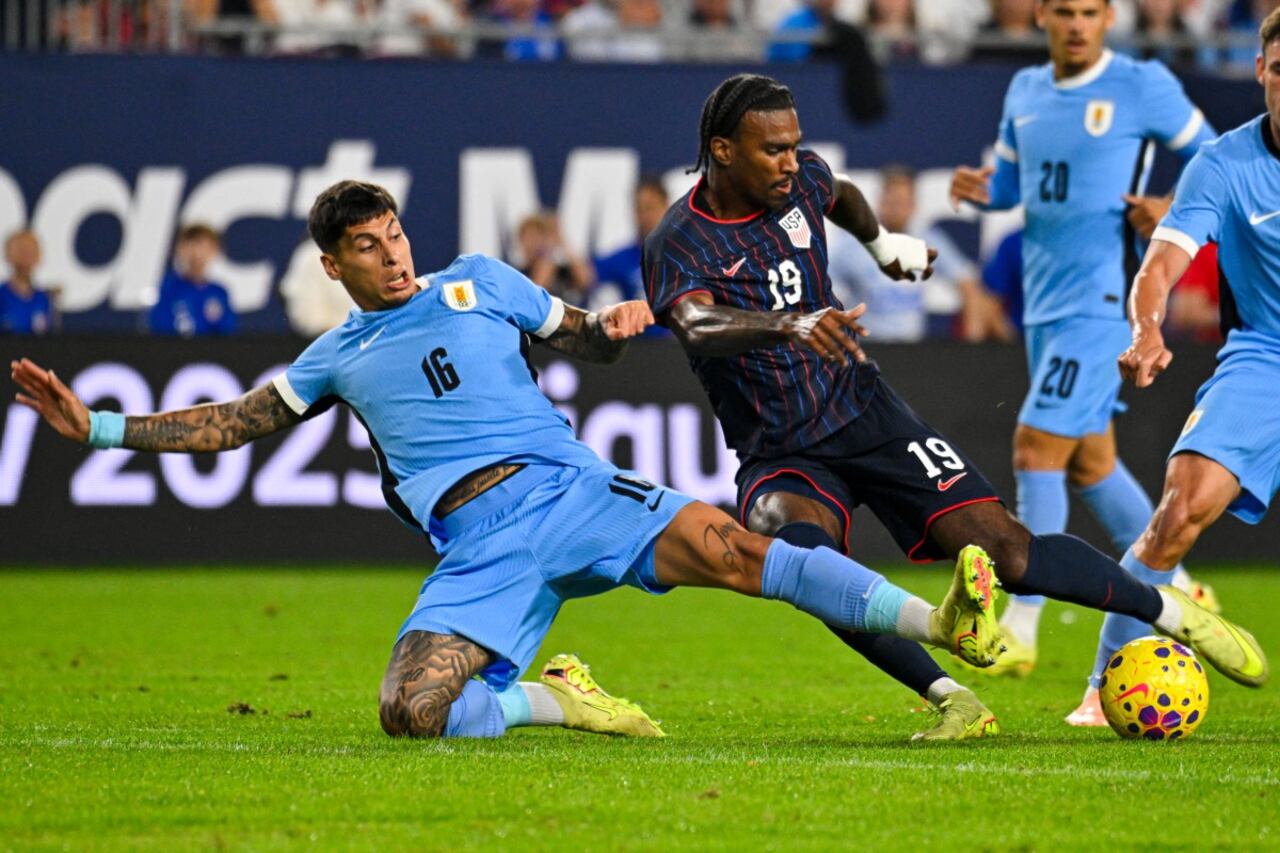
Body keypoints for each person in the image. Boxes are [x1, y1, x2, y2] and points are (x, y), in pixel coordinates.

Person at [11, 180, 1016, 743]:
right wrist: (95, 428)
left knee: (745, 550)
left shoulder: (478, 282)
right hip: (478, 545)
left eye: (396, 233)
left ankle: (944, 621)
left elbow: (582, 334)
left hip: (574, 492)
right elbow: (231, 423)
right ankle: (558, 697)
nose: (393, 254)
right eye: (367, 246)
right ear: (333, 265)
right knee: (410, 711)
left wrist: (611, 323)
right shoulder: (334, 356)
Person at [640, 73, 1265, 730]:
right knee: (807, 566)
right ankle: (952, 698)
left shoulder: (802, 181)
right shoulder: (680, 239)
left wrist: (884, 245)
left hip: (865, 410)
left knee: (1011, 553)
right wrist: (787, 323)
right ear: (723, 149)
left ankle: (1171, 611)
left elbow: (841, 194)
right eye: (774, 151)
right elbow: (694, 323)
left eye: (795, 147)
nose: (791, 163)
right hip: (778, 448)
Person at [948, 0, 1219, 725]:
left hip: (1105, 300)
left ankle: (1024, 627)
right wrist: (982, 189)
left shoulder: (1141, 84)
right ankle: (1186, 587)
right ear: (1041, 16)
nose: (1076, 23)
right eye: (1063, 10)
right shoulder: (1026, 92)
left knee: (1035, 445)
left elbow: (1217, 155)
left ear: (1107, 19)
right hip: (1045, 302)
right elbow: (1013, 186)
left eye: (1090, 12)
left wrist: (1168, 204)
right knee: (1088, 462)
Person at [1114, 7, 1280, 694]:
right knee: (1179, 510)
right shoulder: (1224, 164)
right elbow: (1159, 267)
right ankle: (1104, 683)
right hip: (1267, 357)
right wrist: (1146, 329)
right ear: (1261, 71)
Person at [827, 165, 1011, 343]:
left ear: (913, 206)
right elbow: (823, 290)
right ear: (880, 202)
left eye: (903, 202)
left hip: (913, 351)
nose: (896, 209)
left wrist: (972, 347)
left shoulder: (927, 241)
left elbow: (968, 285)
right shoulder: (851, 245)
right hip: (869, 348)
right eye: (892, 201)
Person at [589, 176, 667, 308]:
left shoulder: (687, 254)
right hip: (641, 328)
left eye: (650, 207)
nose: (645, 216)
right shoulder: (626, 257)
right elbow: (587, 277)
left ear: (665, 205)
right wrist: (561, 240)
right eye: (639, 209)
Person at [148, 224, 238, 337]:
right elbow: (159, 328)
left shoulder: (219, 293)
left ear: (214, 250)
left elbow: (227, 333)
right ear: (179, 250)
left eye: (203, 247)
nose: (197, 254)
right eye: (191, 246)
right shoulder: (168, 288)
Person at [0, 230, 56, 336]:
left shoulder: (43, 299)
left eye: (31, 251)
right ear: (8, 254)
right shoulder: (2, 296)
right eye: (21, 251)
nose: (26, 257)